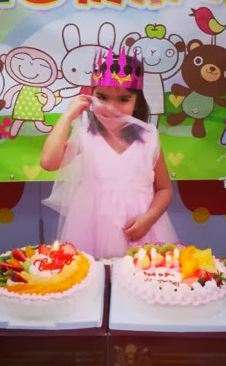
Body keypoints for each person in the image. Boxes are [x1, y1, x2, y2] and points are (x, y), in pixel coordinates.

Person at [40, 47, 177, 258]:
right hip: (91, 227)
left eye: (123, 99)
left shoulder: (149, 136)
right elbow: (48, 162)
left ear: (136, 101)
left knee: (139, 274)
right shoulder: (86, 135)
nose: (111, 108)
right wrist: (67, 116)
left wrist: (149, 218)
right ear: (91, 96)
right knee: (93, 274)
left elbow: (164, 188)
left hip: (140, 230)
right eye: (102, 97)